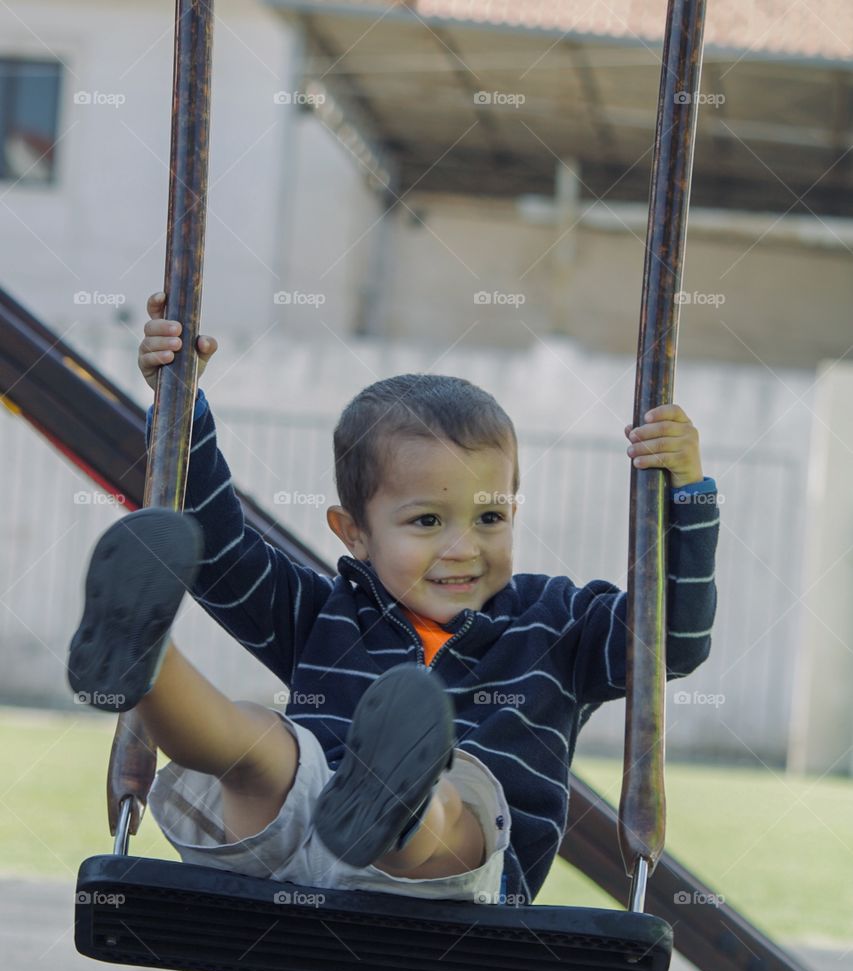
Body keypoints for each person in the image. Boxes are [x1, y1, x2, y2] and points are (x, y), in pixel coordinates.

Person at [67, 292, 720, 906]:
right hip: (304, 848)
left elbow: (674, 640)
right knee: (261, 748)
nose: (463, 547)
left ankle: (394, 804)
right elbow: (218, 550)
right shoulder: (323, 613)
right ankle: (140, 657)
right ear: (354, 532)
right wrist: (180, 405)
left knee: (450, 802)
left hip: (458, 882)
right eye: (427, 521)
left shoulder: (559, 626)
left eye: (489, 518)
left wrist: (687, 494)